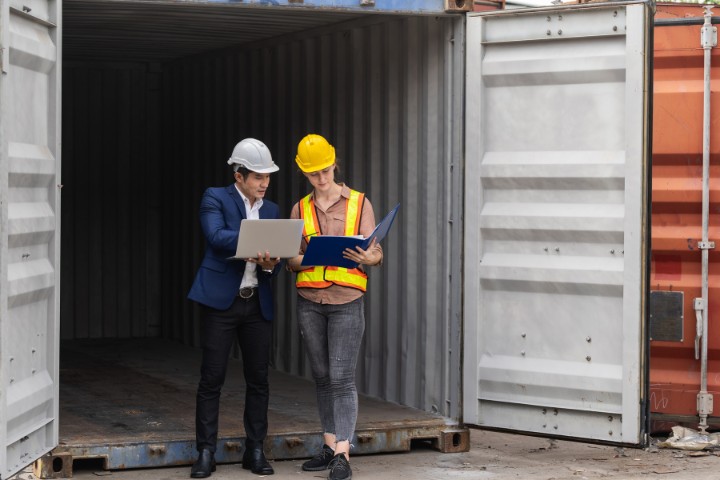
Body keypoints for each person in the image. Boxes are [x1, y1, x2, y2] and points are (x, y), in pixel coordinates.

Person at [286, 134, 383, 480]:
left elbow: (376, 253)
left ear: (334, 164)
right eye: (314, 174)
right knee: (323, 378)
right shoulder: (300, 208)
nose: (321, 179)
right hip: (310, 302)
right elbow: (291, 259)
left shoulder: (359, 203)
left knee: (342, 379)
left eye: (325, 171)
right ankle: (329, 446)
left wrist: (367, 256)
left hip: (346, 302)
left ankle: (343, 453)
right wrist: (300, 258)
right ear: (305, 174)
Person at [187, 138, 281, 478]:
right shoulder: (215, 196)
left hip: (257, 302)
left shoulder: (271, 210)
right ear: (239, 175)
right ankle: (206, 452)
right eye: (258, 176)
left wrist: (271, 263)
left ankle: (254, 450)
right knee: (211, 379)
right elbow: (216, 236)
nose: (265, 183)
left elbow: (276, 260)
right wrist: (256, 239)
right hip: (221, 304)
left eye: (268, 176)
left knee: (259, 379)